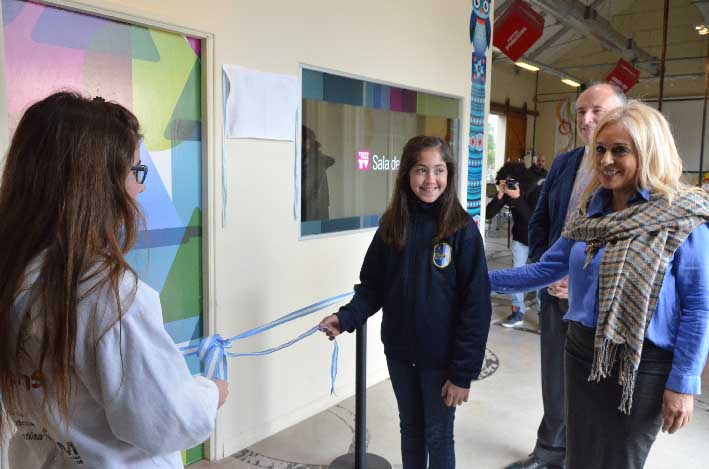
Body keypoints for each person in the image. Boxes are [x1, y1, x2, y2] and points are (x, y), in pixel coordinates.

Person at [0, 92, 228, 468]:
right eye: (136, 172)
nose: (140, 188)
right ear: (97, 184)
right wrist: (212, 392)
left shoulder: (14, 276)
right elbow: (165, 420)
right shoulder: (109, 294)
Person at [491, 101, 709, 468]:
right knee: (579, 457)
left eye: (620, 150)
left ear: (648, 151)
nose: (606, 160)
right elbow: (545, 270)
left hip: (643, 367)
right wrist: (470, 279)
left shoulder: (682, 219)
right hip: (580, 354)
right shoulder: (590, 215)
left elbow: (698, 307)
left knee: (619, 461)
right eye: (601, 150)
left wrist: (684, 382)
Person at [319, 136, 492, 469]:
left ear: (449, 174)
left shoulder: (462, 230)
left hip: (442, 361)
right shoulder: (392, 225)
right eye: (421, 171)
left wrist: (462, 373)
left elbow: (477, 308)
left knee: (439, 436)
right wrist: (347, 317)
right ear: (407, 175)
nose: (430, 180)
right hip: (400, 354)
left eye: (438, 171)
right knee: (410, 429)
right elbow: (372, 286)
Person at [507, 82, 626, 469]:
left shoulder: (631, 170)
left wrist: (579, 280)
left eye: (598, 110)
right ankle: (549, 452)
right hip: (554, 294)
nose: (587, 119)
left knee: (598, 386)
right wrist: (547, 274)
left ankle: (583, 457)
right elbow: (540, 224)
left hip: (604, 301)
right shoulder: (564, 163)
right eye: (580, 111)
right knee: (554, 381)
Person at [485, 172, 543, 328]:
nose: (510, 183)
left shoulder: (536, 191)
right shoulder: (509, 191)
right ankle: (517, 312)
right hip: (520, 240)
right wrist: (500, 194)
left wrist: (517, 197)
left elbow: (532, 220)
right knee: (517, 275)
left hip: (539, 241)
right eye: (507, 181)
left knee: (540, 278)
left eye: (513, 180)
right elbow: (488, 214)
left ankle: (543, 316)